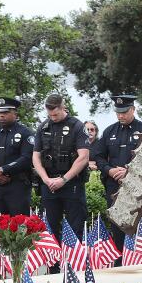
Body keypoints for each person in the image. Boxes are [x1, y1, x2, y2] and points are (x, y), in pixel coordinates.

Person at [32, 93, 90, 258]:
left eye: (55, 114)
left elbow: (83, 157)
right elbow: (35, 157)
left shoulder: (77, 126)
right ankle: (54, 266)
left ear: (63, 108)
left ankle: (75, 265)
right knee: (50, 230)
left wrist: (64, 179)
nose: (53, 117)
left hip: (71, 184)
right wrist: (45, 179)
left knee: (75, 227)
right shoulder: (43, 127)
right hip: (49, 184)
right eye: (50, 115)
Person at [91, 94, 142, 255]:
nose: (120, 115)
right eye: (118, 112)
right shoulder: (110, 131)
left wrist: (129, 171)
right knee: (117, 227)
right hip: (114, 187)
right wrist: (109, 169)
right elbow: (98, 156)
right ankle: (119, 260)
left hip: (136, 188)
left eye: (124, 112)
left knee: (138, 226)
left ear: (133, 109)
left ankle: (140, 259)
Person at [0, 97, 35, 215]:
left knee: (19, 225)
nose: (2, 116)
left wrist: (3, 169)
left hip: (18, 185)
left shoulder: (25, 133)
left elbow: (26, 158)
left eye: (6, 112)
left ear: (15, 114)